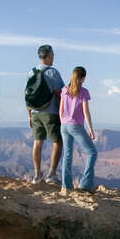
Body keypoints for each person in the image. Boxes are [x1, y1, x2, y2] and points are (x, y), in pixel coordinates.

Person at [26, 44, 64, 184]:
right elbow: (60, 94)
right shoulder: (53, 72)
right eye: (52, 55)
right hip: (51, 113)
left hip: (35, 113)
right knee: (57, 142)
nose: (53, 58)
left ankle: (37, 175)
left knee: (37, 142)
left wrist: (29, 115)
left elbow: (28, 95)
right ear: (48, 56)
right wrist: (62, 113)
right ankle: (51, 175)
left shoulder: (31, 72)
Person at [59, 66, 97, 195]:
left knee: (67, 155)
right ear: (82, 78)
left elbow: (61, 110)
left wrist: (63, 122)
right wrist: (90, 129)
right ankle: (85, 185)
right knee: (92, 152)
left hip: (63, 125)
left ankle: (66, 186)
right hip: (76, 126)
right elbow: (86, 112)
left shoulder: (64, 90)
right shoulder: (83, 92)